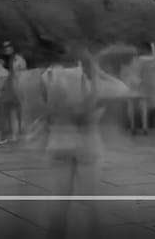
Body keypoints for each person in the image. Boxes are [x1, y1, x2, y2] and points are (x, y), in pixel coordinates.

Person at [39, 44, 108, 239]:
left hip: (58, 142)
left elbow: (46, 112)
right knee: (92, 202)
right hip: (87, 143)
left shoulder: (48, 75)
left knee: (59, 201)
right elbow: (93, 109)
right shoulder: (90, 75)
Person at [0, 41, 25, 146]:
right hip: (9, 87)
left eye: (9, 47)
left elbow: (21, 75)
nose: (7, 49)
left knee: (15, 111)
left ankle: (16, 134)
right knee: (10, 111)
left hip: (16, 87)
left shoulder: (19, 60)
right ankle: (12, 134)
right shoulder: (7, 60)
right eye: (5, 47)